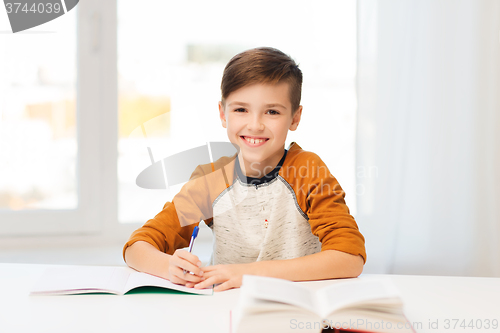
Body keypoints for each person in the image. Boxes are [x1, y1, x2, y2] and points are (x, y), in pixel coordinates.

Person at [123, 47, 366, 292]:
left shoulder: (307, 170)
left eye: (272, 112)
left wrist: (250, 275)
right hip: (222, 310)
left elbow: (349, 257)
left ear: (294, 117)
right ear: (223, 114)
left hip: (290, 309)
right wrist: (167, 266)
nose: (255, 125)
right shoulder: (210, 180)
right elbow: (136, 248)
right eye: (241, 109)